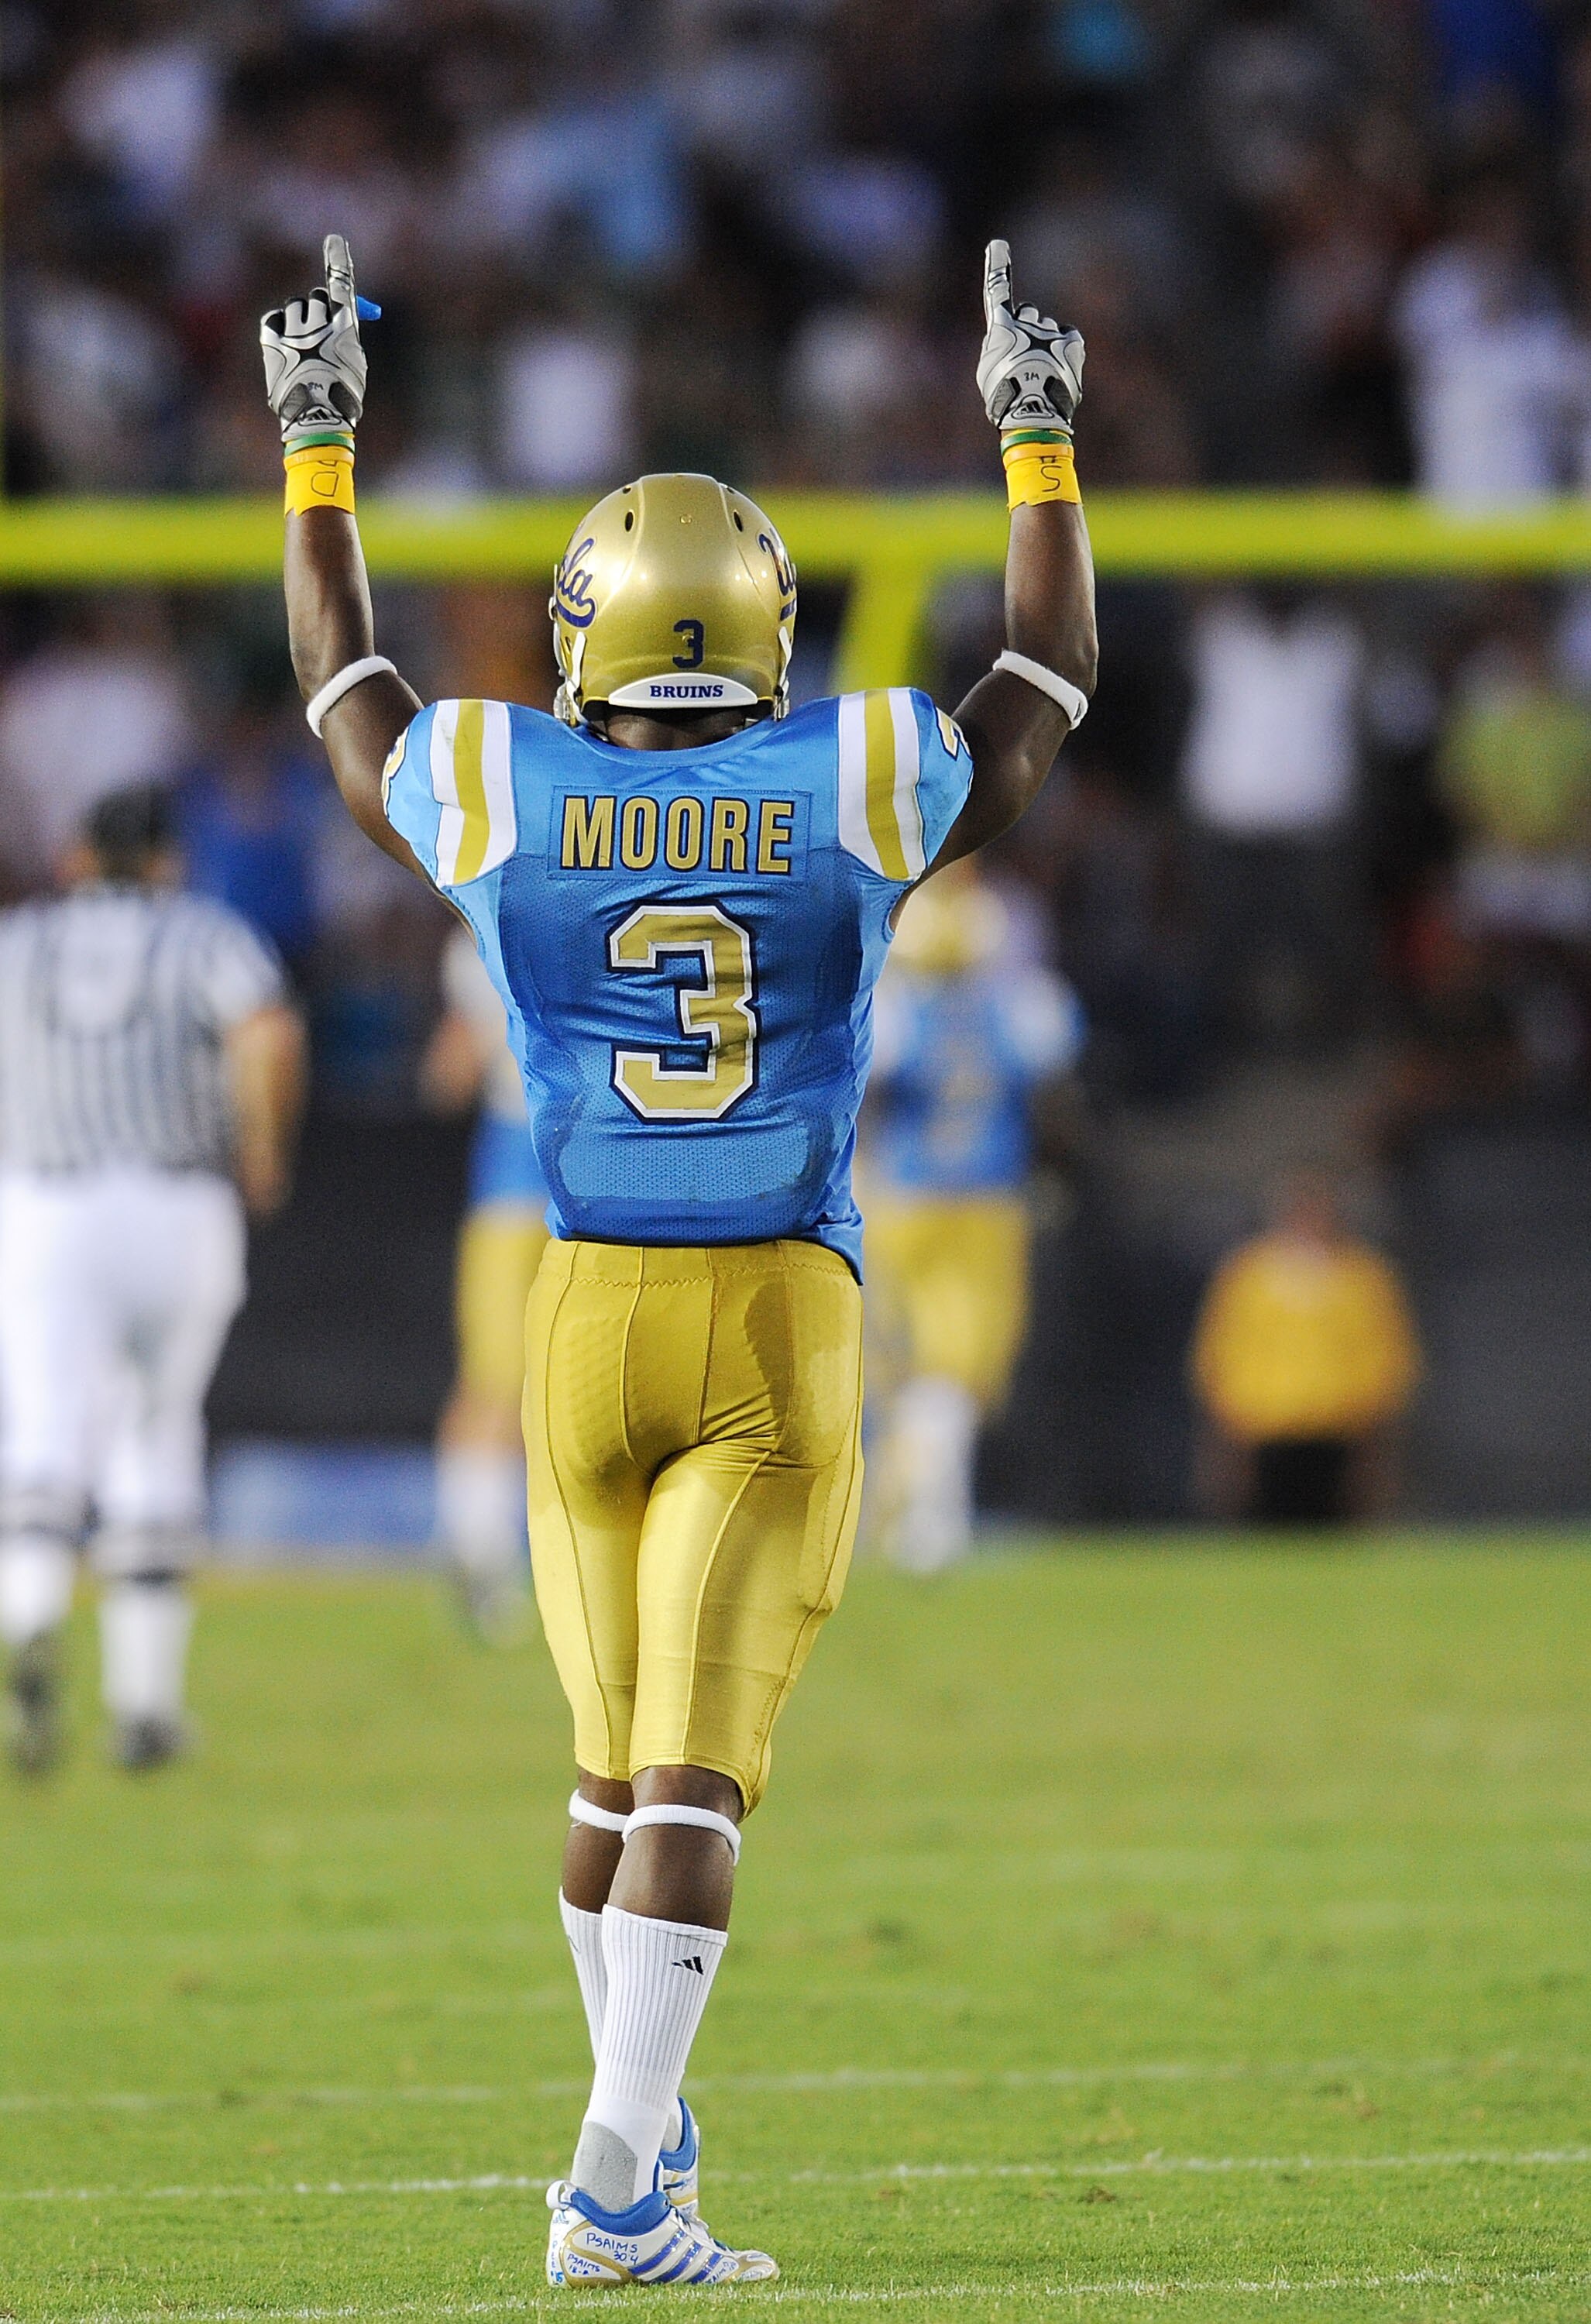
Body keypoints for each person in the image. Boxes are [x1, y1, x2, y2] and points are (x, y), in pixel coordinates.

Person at [261, 232, 1094, 2286]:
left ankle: (646, 2157)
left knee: (606, 1768)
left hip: (581, 1313)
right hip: (774, 1314)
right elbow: (1045, 684)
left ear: (589, 635)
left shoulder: (502, 782)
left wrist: (316, 455)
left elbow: (344, 698)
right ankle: (616, 2183)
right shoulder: (853, 775)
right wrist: (1037, 447)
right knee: (697, 1781)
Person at [0, 785, 305, 1773]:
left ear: (79, 857)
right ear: (169, 858)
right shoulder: (204, 935)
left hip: (46, 1206)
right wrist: (263, 1149)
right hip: (177, 1207)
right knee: (156, 1430)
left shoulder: (21, 942)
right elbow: (266, 1030)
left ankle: (30, 1619)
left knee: (44, 1430)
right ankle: (144, 1702)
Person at [861, 863, 1084, 1569]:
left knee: (906, 1364)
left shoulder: (893, 1010)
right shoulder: (1021, 1007)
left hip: (902, 1199)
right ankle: (932, 1518)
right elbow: (1056, 1065)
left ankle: (908, 1511)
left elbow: (865, 1082)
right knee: (962, 1366)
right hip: (985, 1200)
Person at [421, 927, 548, 1642]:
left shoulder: (482, 934)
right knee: (501, 1384)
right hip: (559, 1183)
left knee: (507, 1383)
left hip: (520, 1185)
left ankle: (481, 1553)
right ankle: (479, 1556)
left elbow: (446, 1076)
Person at [1191, 1169, 1421, 1527]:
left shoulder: (1364, 1276)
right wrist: (1231, 1419)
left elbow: (1386, 1353)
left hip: (1340, 1430)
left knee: (1337, 1526)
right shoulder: (1249, 1275)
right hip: (1267, 1429)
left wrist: (1372, 1417)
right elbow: (1223, 1350)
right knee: (1265, 1528)